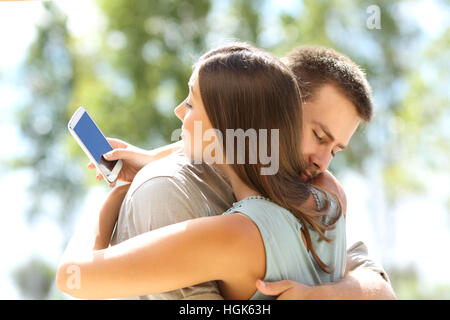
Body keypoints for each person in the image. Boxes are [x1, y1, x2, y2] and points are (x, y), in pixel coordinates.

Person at [94, 45, 396, 300]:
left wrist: (320, 295)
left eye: (334, 150)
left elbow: (379, 286)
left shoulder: (312, 196)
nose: (323, 162)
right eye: (318, 136)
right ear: (278, 109)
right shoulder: (172, 193)